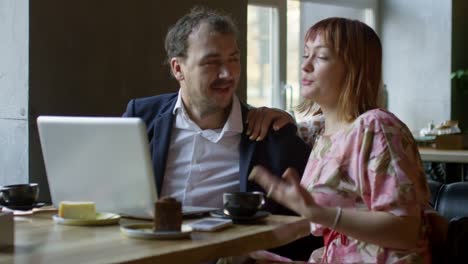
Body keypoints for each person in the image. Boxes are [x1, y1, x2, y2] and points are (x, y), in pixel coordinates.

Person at [123, 7, 321, 261]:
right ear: (178, 69)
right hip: (142, 253)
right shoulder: (142, 116)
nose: (227, 74)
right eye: (212, 62)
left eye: (234, 59)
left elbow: (312, 228)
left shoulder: (273, 136)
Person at [249, 17, 432, 263]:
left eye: (321, 57)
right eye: (305, 55)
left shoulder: (377, 127)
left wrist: (319, 213)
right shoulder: (319, 131)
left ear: (355, 68)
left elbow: (406, 231)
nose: (306, 66)